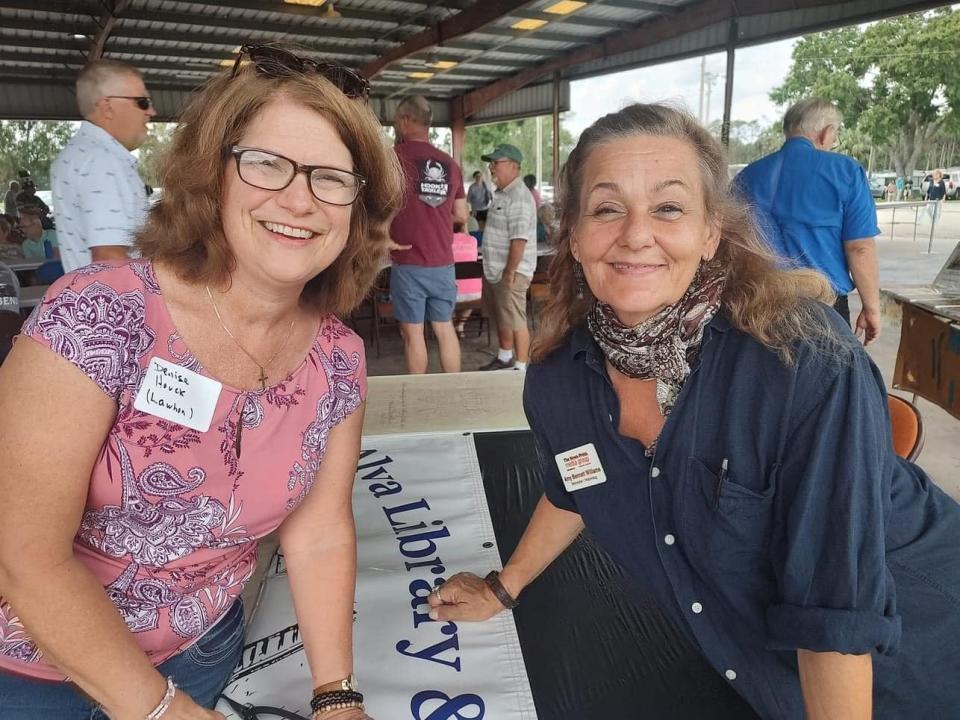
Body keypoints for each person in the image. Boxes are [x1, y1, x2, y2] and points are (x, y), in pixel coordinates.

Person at [428, 103, 960, 719]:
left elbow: (834, 611)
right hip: (758, 677)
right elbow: (577, 480)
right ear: (573, 235)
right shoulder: (559, 381)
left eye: (669, 208)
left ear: (711, 233)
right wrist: (504, 585)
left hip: (917, 661)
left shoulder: (801, 359)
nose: (634, 233)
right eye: (606, 208)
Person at [0, 43, 403, 720]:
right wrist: (164, 712)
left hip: (204, 648)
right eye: (267, 163)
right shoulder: (99, 315)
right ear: (212, 176)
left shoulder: (338, 357)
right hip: (37, 674)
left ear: (358, 207)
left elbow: (320, 530)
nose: (299, 199)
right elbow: (24, 555)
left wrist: (337, 693)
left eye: (333, 177)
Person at [734, 97, 881, 344]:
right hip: (824, 307)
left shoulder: (748, 176)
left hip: (757, 306)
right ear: (826, 133)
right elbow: (860, 247)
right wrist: (872, 308)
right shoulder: (846, 171)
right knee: (826, 379)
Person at [51, 59, 157, 273]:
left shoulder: (75, 155)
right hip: (120, 304)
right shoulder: (102, 161)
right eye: (143, 102)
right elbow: (109, 258)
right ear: (108, 107)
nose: (151, 111)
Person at [388, 94, 468, 374]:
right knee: (445, 329)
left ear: (405, 121)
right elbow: (462, 215)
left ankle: (417, 396)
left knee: (413, 335)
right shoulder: (450, 164)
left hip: (408, 259)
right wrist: (435, 213)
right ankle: (453, 392)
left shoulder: (393, 159)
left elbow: (376, 205)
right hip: (443, 263)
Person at [478, 143, 538, 371]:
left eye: (496, 163)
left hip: (511, 271)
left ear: (513, 166)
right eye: (491, 163)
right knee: (501, 315)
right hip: (495, 268)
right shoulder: (502, 194)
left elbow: (519, 239)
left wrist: (510, 272)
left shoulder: (520, 196)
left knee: (515, 317)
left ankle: (521, 366)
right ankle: (504, 356)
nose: (492, 168)